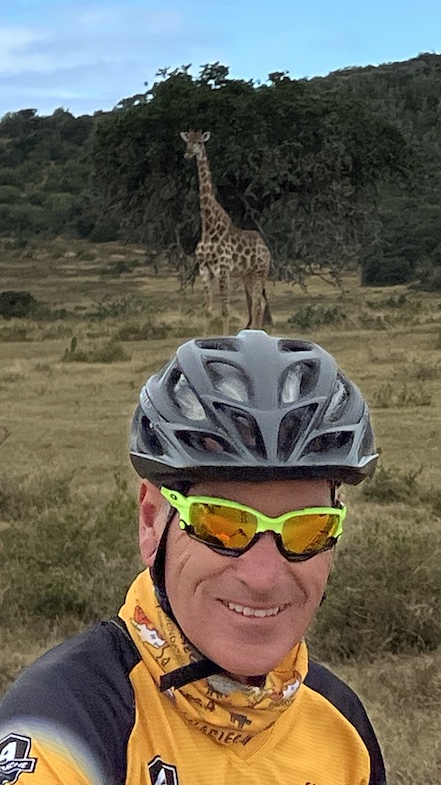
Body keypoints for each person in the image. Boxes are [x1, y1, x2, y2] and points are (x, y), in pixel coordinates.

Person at [0, 330, 386, 784]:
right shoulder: (67, 727)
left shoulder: (342, 729)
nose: (262, 576)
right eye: (221, 524)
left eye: (306, 528)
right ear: (150, 522)